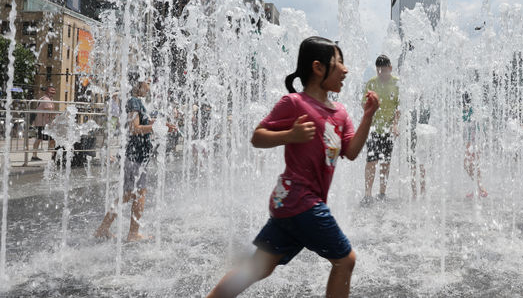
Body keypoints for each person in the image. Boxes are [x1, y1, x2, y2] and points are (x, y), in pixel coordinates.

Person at [207, 36, 379, 298]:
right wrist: (290, 135)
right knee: (346, 260)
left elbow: (352, 151)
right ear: (318, 68)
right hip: (300, 200)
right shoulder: (295, 103)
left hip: (290, 206)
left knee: (257, 268)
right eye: (338, 63)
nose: (345, 70)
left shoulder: (341, 113)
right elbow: (257, 136)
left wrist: (368, 116)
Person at [95, 81, 177, 241]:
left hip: (137, 155)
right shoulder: (134, 102)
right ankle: (131, 233)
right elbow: (135, 128)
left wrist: (161, 125)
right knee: (136, 194)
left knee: (130, 194)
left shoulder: (136, 102)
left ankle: (104, 229)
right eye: (146, 83)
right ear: (139, 86)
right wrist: (153, 128)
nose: (149, 86)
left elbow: (143, 123)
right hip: (135, 156)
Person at [363, 55, 399, 203]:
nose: (381, 74)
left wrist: (395, 124)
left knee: (385, 162)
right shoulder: (371, 83)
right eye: (378, 71)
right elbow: (363, 104)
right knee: (371, 161)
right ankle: (367, 194)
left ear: (390, 68)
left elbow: (399, 107)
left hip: (389, 129)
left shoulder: (397, 84)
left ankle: (382, 193)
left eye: (383, 70)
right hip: (373, 128)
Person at [462, 93, 488, 198]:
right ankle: (478, 188)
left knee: (468, 164)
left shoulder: (472, 111)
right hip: (472, 141)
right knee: (471, 165)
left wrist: (478, 142)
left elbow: (479, 127)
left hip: (475, 142)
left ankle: (481, 188)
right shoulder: (467, 112)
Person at [31, 87, 57, 161]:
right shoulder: (46, 99)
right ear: (47, 92)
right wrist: (56, 116)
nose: (53, 93)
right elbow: (50, 110)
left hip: (44, 123)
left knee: (49, 139)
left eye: (54, 91)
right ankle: (35, 155)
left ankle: (52, 154)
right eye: (51, 91)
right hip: (43, 123)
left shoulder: (47, 99)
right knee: (40, 139)